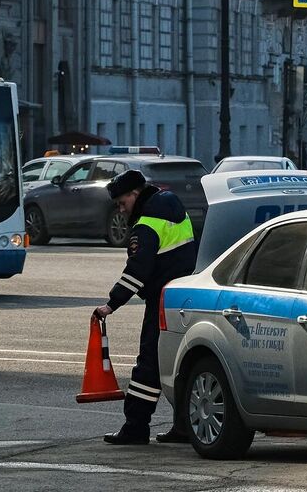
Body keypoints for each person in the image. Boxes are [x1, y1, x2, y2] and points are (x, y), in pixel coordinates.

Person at [92, 169, 197, 446]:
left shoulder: (147, 223)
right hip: (184, 295)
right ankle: (185, 427)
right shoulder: (171, 204)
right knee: (182, 364)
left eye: (122, 202)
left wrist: (111, 304)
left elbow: (138, 269)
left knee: (149, 363)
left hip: (163, 300)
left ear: (135, 194)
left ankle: (136, 427)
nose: (120, 208)